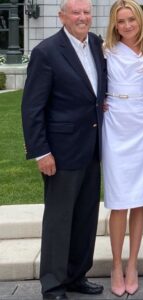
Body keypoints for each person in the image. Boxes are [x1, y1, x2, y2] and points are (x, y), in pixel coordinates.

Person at [21, 0, 107, 299]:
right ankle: (54, 284)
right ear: (62, 17)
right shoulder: (46, 52)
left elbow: (96, 90)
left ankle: (76, 275)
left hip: (93, 148)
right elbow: (32, 107)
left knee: (85, 216)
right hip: (60, 152)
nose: (82, 17)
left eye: (86, 12)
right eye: (76, 13)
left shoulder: (96, 44)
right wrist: (41, 151)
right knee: (59, 220)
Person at [102, 0, 143, 296]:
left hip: (142, 125)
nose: (126, 26)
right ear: (114, 23)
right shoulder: (105, 50)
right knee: (118, 199)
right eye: (121, 21)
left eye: (131, 20)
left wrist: (136, 105)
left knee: (139, 199)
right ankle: (115, 264)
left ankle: (132, 263)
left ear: (140, 21)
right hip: (114, 125)